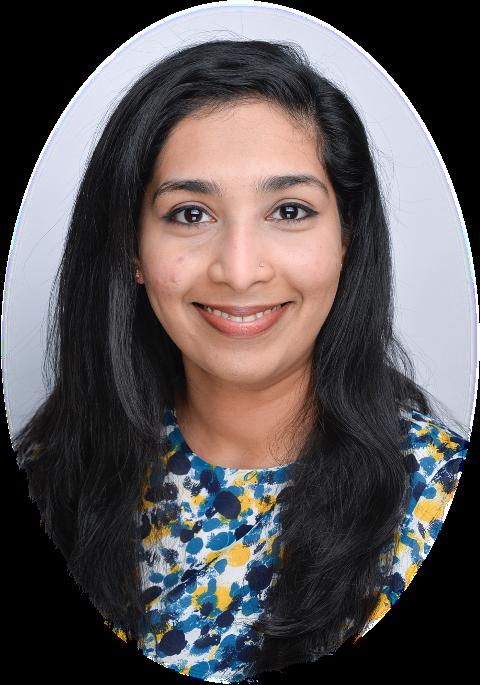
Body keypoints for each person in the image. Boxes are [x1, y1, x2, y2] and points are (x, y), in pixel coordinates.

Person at [13, 39, 470, 683]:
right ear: (132, 249)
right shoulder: (50, 484)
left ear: (346, 237)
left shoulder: (439, 495)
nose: (239, 269)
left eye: (289, 211)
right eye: (190, 213)